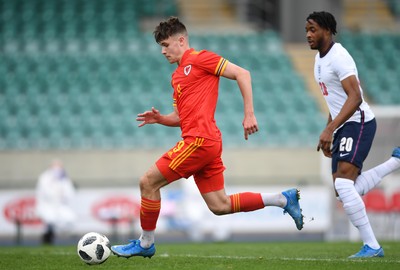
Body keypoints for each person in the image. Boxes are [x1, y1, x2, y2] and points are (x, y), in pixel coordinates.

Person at [111, 17, 304, 258]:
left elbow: (243, 74)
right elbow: (180, 117)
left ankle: (146, 243)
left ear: (181, 41)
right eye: (160, 46)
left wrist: (249, 114)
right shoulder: (177, 76)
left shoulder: (201, 58)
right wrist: (161, 119)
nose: (162, 51)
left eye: (166, 44)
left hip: (200, 141)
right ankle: (282, 200)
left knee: (148, 182)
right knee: (219, 205)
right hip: (206, 142)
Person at [305, 11, 400, 258]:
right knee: (344, 189)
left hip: (359, 123)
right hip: (344, 125)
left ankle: (372, 246)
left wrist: (330, 129)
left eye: (313, 29)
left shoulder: (339, 57)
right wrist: (330, 129)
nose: (308, 34)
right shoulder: (318, 60)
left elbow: (355, 97)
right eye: (307, 29)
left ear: (327, 30)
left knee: (344, 186)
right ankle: (395, 162)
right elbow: (333, 100)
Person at [35, 159, 76, 244]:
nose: (57, 169)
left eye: (59, 167)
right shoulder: (45, 177)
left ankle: (62, 238)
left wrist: (63, 195)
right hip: (47, 205)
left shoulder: (64, 178)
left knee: (70, 218)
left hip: (60, 205)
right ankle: (47, 236)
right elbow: (45, 193)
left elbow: (70, 193)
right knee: (50, 219)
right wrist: (56, 193)